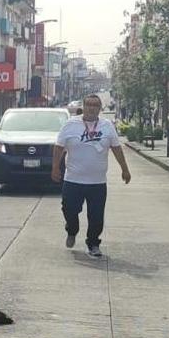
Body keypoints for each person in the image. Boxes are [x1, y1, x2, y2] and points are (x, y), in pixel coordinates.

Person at [51, 94, 131, 258]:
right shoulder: (70, 125)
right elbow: (59, 147)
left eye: (95, 105)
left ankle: (93, 243)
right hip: (73, 179)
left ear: (100, 108)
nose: (92, 108)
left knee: (96, 217)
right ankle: (72, 230)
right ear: (84, 106)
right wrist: (55, 168)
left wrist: (125, 169)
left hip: (97, 182)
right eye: (89, 105)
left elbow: (116, 148)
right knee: (69, 209)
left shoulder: (107, 126)